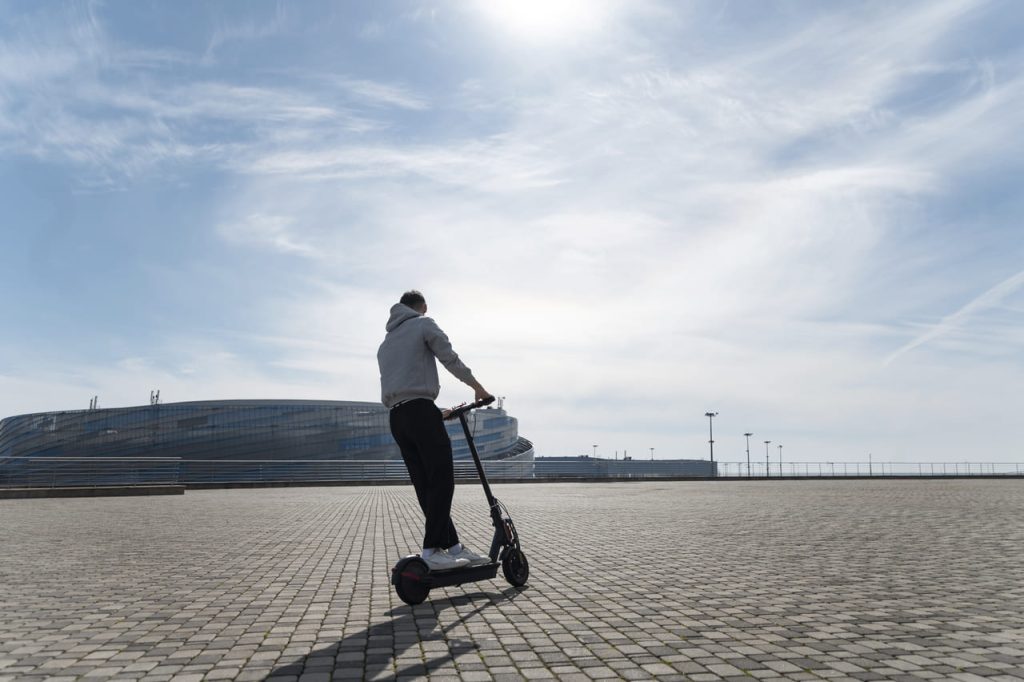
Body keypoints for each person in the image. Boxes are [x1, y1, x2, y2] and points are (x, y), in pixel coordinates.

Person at [377, 290, 493, 571]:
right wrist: (478, 388)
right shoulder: (423, 324)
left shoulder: (386, 343)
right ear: (423, 307)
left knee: (425, 487)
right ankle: (432, 551)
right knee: (442, 482)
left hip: (398, 418)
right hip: (420, 412)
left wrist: (435, 412)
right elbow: (449, 357)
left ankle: (453, 547)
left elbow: (405, 382)